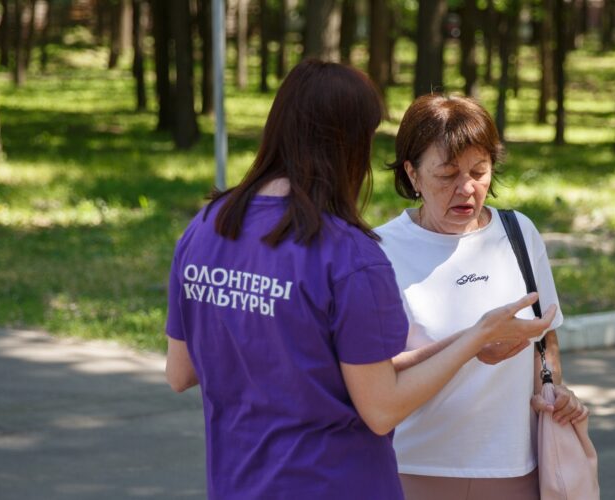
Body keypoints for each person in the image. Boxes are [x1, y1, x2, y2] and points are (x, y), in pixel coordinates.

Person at [163, 62, 557, 499]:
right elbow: (382, 407)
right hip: (334, 482)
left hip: (237, 482)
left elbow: (181, 372)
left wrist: (469, 337)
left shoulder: (206, 227)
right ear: (347, 144)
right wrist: (476, 338)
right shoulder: (350, 255)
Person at [376, 94, 589, 500]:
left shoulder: (518, 233)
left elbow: (544, 337)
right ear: (412, 173)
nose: (467, 189)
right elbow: (374, 374)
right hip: (413, 467)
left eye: (479, 171)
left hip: (514, 467)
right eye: (447, 175)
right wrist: (474, 341)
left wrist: (554, 392)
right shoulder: (379, 250)